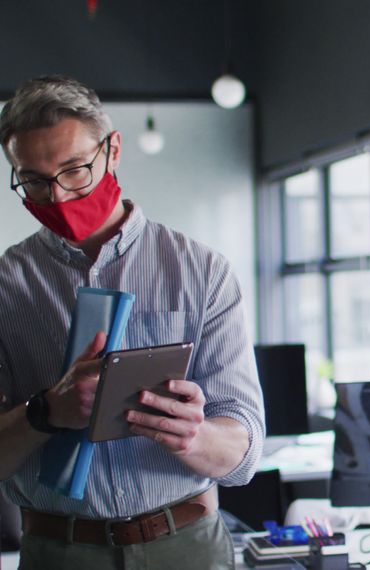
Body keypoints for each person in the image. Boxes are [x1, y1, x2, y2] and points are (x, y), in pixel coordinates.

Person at [0, 76, 265, 569]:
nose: (57, 197)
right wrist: (46, 412)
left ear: (113, 149)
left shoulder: (202, 271)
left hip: (185, 547)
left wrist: (194, 435)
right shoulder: (4, 286)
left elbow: (243, 456)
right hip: (60, 553)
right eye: (34, 179)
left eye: (75, 170)